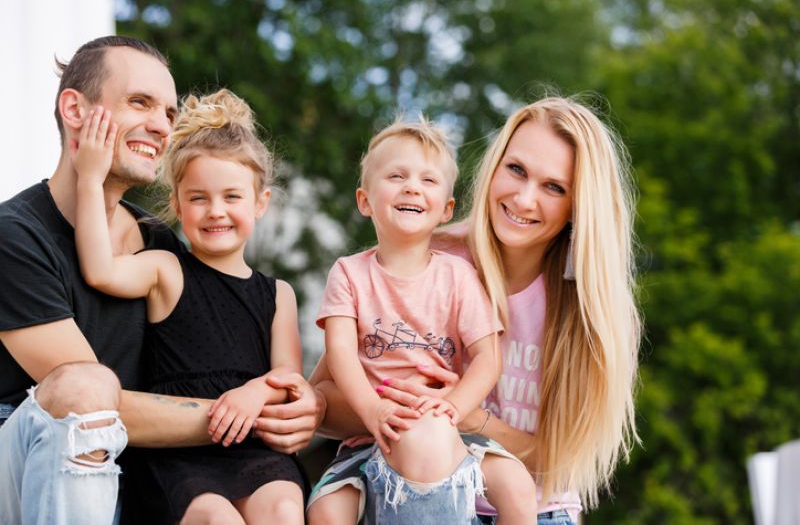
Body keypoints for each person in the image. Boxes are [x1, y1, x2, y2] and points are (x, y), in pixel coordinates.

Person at [0, 36, 323, 525]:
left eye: (169, 112)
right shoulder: (14, 237)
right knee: (87, 389)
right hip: (28, 469)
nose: (160, 125)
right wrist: (251, 416)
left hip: (144, 470)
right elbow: (96, 411)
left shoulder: (161, 243)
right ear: (75, 109)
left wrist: (301, 405)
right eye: (139, 102)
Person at [310, 96, 641, 524]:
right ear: (494, 166)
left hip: (537, 510)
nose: (523, 199)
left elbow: (561, 459)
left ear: (579, 205)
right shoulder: (426, 259)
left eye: (553, 187)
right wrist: (401, 402)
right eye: (516, 170)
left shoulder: (593, 311)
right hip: (421, 497)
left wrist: (470, 416)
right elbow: (322, 404)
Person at [72, 89, 306, 523]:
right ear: (178, 205)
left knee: (285, 508)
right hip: (178, 454)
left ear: (260, 203)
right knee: (218, 519)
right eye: (198, 198)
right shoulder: (165, 269)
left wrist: (255, 391)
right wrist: (89, 180)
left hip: (251, 446)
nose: (216, 211)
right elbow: (100, 271)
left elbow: (286, 377)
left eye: (232, 197)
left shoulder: (279, 295)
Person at [307, 119, 538, 525]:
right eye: (396, 176)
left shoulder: (458, 276)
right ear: (365, 200)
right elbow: (340, 352)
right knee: (327, 511)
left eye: (428, 180)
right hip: (369, 438)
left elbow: (488, 357)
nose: (412, 187)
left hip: (451, 436)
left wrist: (452, 407)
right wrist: (373, 410)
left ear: (446, 209)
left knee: (518, 486)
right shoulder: (348, 274)